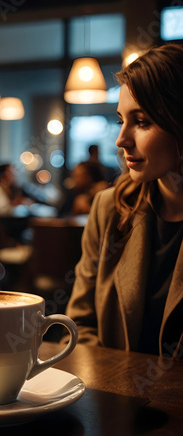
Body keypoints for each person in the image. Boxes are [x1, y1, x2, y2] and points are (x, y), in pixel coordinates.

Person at [66, 43, 183, 357]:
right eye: (121, 120)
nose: (121, 140)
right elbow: (80, 326)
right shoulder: (109, 209)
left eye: (142, 121)